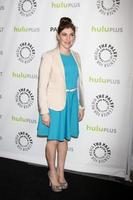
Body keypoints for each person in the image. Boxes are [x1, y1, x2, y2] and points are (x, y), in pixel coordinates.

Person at [37, 17, 85, 192]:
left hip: (71, 103)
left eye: (71, 34)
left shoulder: (76, 56)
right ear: (58, 36)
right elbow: (42, 86)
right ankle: (52, 172)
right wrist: (44, 112)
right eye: (64, 34)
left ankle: (61, 172)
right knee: (53, 140)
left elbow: (79, 83)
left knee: (64, 140)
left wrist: (81, 105)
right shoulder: (49, 56)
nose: (68, 38)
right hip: (54, 105)